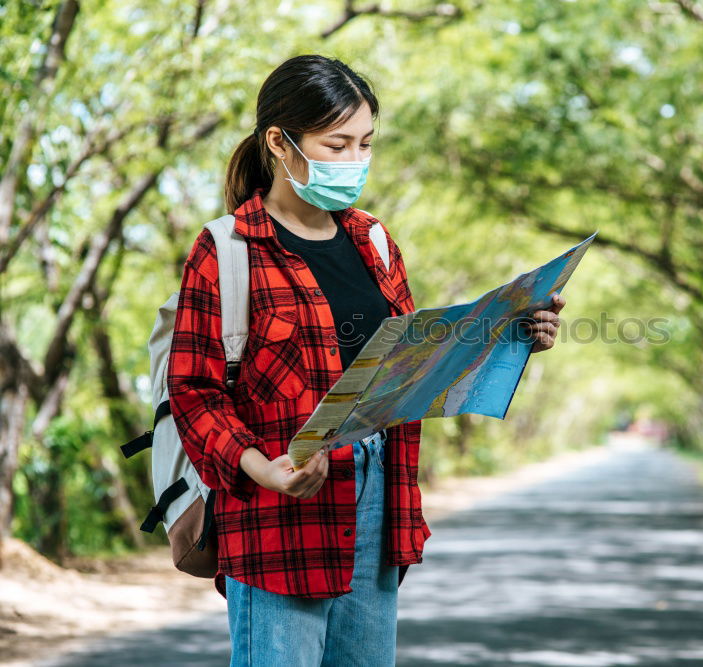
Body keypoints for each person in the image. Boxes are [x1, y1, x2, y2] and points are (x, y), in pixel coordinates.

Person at [166, 54, 566, 666]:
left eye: (365, 144)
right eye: (337, 144)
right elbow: (194, 393)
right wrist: (262, 469)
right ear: (279, 142)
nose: (355, 161)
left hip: (379, 500)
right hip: (280, 513)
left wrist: (514, 331)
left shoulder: (374, 242)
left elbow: (413, 366)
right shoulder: (226, 249)